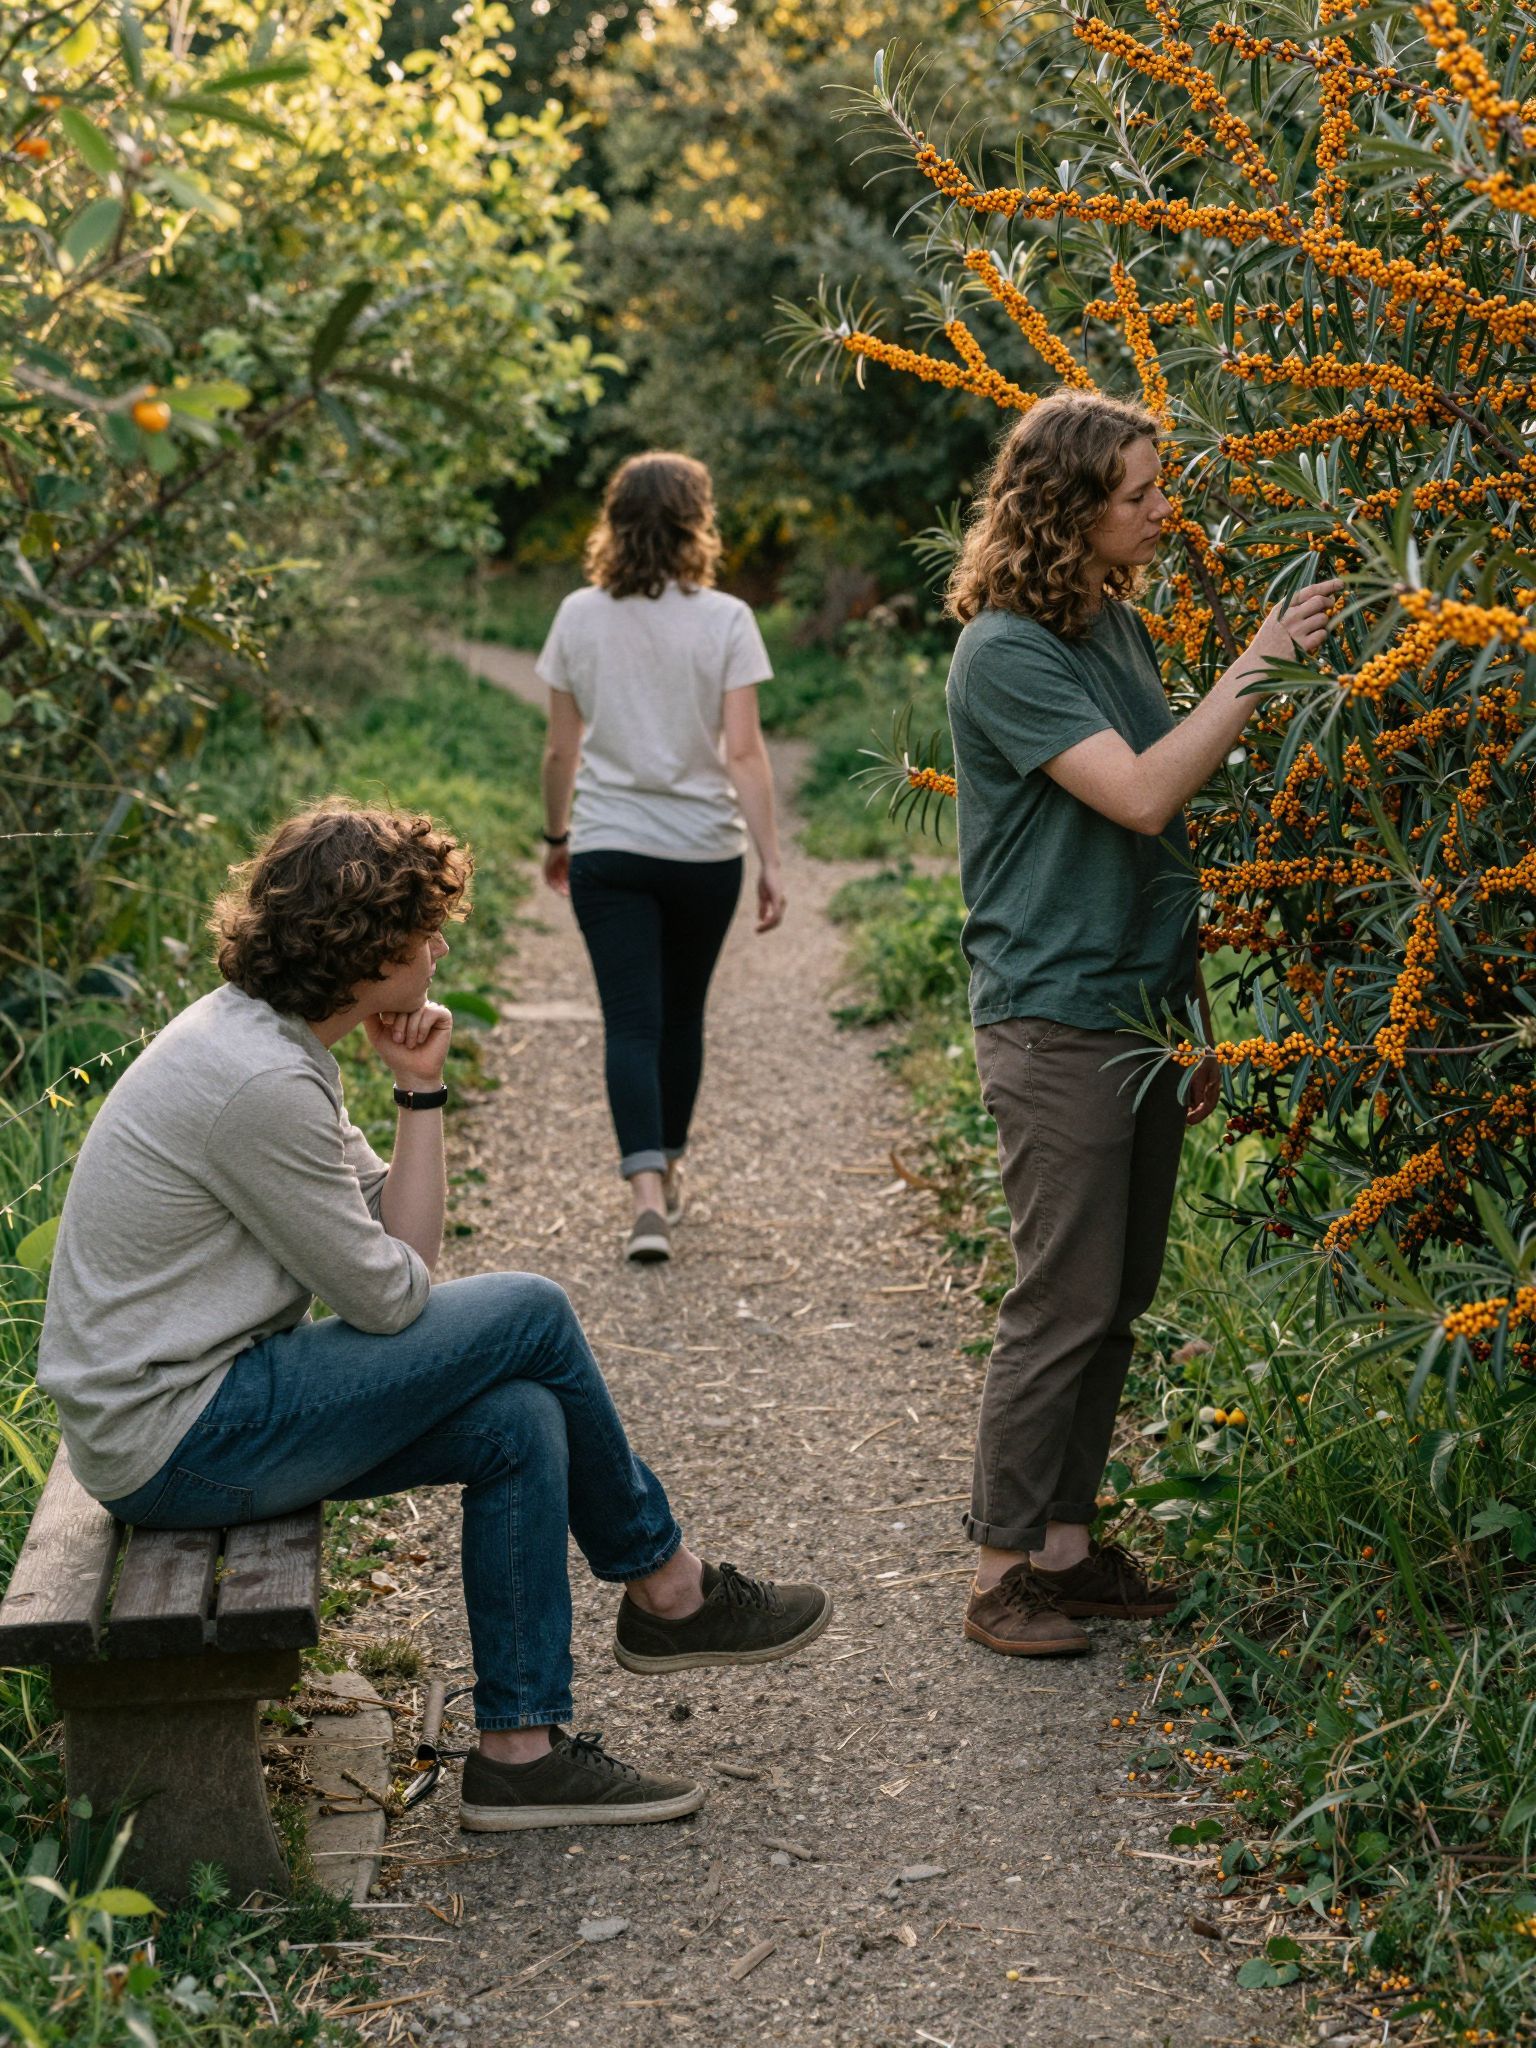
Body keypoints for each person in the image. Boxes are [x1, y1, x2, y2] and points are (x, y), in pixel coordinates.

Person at [37, 799, 831, 1828]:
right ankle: (668, 1586)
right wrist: (405, 1229)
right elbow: (390, 1296)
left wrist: (418, 1092)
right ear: (367, 953)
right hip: (173, 1436)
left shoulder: (272, 1042)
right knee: (534, 1311)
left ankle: (520, 1751)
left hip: (203, 1403)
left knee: (519, 1420)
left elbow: (396, 1249)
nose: (441, 949)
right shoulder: (259, 1081)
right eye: (424, 933)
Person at [944, 389, 1340, 1659]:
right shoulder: (1005, 651)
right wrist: (1258, 663)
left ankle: (1066, 1550)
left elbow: (1157, 860)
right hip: (1055, 1013)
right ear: (1068, 510)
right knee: (1059, 1300)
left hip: (1140, 1013)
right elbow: (1143, 795)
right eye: (1138, 493)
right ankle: (999, 1573)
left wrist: (1195, 1014)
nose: (1164, 508)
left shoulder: (1109, 622)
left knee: (1117, 1295)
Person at [536, 451, 786, 1265]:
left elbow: (560, 750)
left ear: (614, 523)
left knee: (631, 1020)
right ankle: (670, 1167)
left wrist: (556, 836)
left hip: (608, 846)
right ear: (696, 523)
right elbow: (744, 753)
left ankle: (645, 1197)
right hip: (703, 853)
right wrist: (771, 861)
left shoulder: (577, 615)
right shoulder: (727, 619)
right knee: (681, 1015)